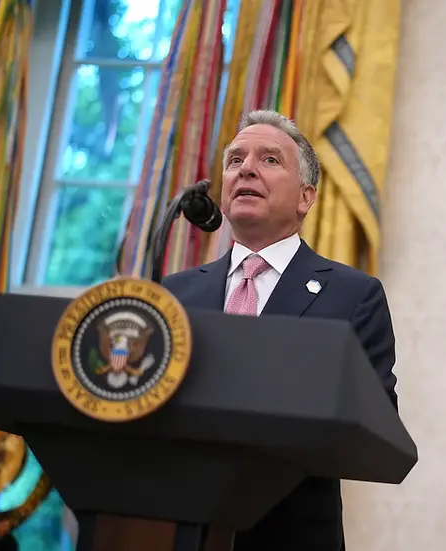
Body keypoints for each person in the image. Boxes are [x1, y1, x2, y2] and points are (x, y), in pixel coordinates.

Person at [161, 109, 398, 551]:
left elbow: (375, 418)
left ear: (305, 197)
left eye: (269, 160)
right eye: (235, 161)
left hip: (289, 533)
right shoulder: (174, 295)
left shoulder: (353, 295)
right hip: (178, 530)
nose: (246, 168)